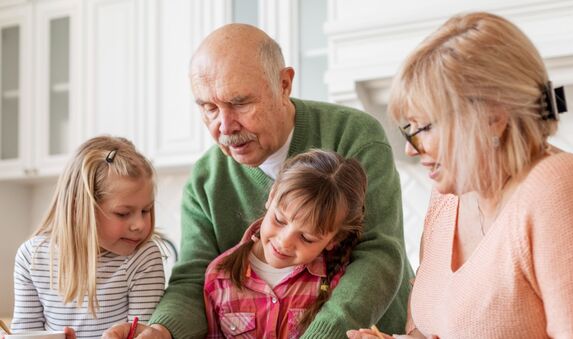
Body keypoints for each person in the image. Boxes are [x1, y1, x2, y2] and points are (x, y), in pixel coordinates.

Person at [103, 23, 413, 339]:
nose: (224, 126)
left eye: (239, 103)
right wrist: (162, 330)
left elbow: (379, 254)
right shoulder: (205, 179)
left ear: (283, 84)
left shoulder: (354, 135)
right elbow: (194, 280)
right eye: (209, 108)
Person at [347, 11, 573, 339]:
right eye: (409, 130)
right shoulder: (446, 198)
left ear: (493, 117)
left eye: (423, 127)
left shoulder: (562, 186)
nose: (411, 149)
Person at [11, 136, 165, 339]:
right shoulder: (32, 257)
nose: (140, 225)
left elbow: (143, 335)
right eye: (123, 213)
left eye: (146, 210)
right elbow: (25, 333)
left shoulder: (143, 257)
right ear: (78, 209)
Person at [205, 149, 367, 338]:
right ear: (272, 196)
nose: (284, 242)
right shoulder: (220, 277)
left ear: (334, 240)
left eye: (306, 238)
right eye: (279, 220)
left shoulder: (338, 281)